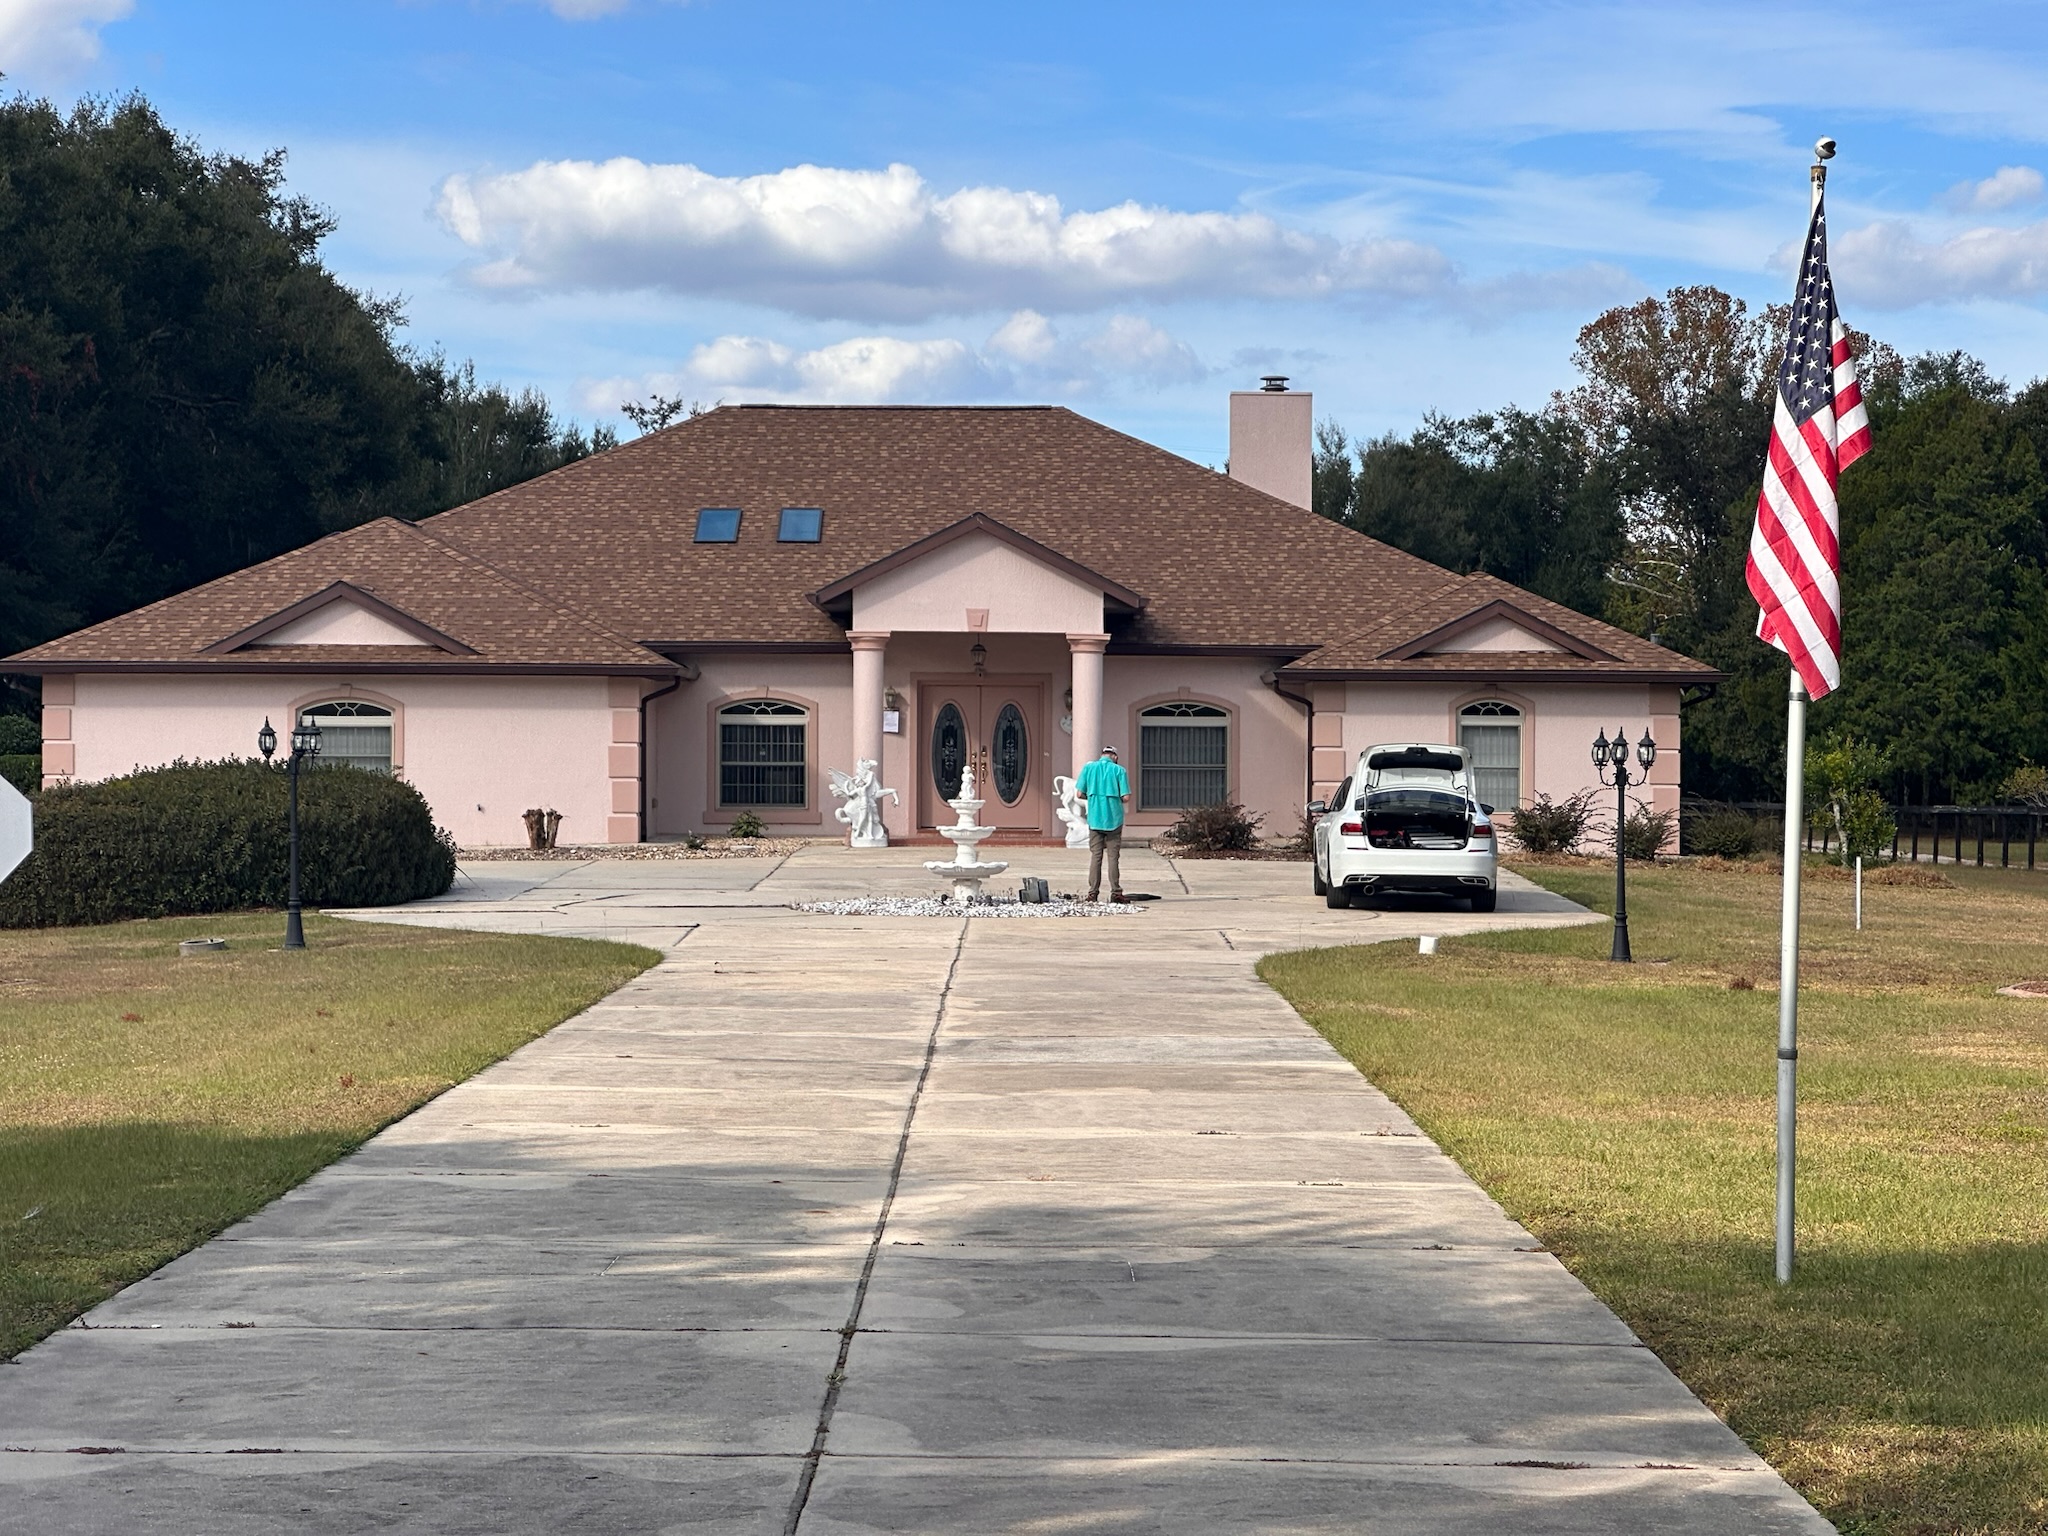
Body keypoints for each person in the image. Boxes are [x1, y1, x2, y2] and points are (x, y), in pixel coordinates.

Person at [1075, 744, 1130, 903]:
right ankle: (1116, 892)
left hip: (1095, 819)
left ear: (1102, 755)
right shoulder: (1119, 771)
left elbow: (1079, 793)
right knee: (1113, 857)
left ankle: (1093, 893)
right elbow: (1126, 797)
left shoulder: (1089, 768)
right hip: (1114, 819)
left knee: (1096, 856)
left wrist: (1093, 799)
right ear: (1115, 757)